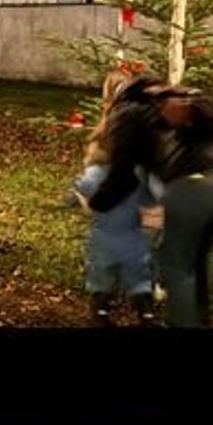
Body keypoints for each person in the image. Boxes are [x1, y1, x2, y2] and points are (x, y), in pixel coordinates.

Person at [91, 76, 213, 329]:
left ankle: (182, 321)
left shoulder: (128, 113)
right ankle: (202, 319)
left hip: (197, 182)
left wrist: (99, 204)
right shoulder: (182, 98)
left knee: (176, 263)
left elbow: (123, 174)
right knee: (202, 255)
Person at [71, 133, 157, 322]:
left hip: (104, 235)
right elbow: (149, 201)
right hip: (133, 235)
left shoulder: (94, 173)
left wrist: (75, 199)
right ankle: (146, 311)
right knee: (139, 275)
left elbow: (80, 190)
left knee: (101, 274)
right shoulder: (137, 174)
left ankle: (101, 310)